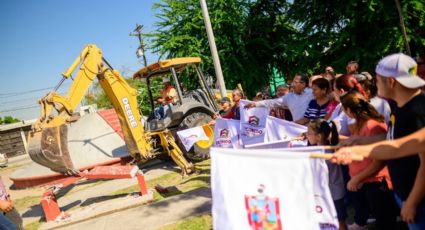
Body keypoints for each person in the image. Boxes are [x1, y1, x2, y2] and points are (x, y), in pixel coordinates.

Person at [337, 53, 425, 228]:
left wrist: (413, 201)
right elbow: (394, 139)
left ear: (391, 81)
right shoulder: (401, 107)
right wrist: (358, 141)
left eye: (377, 80)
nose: (374, 85)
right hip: (405, 193)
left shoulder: (417, 111)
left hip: (419, 201)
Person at [340, 91, 398, 230]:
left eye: (343, 108)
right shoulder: (361, 124)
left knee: (385, 222)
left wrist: (357, 178)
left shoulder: (372, 126)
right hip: (367, 182)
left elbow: (379, 160)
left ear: (348, 109)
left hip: (377, 184)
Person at [306, 119, 347, 230]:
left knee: (339, 221)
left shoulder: (326, 153)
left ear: (319, 137)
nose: (307, 136)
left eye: (309, 133)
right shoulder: (320, 149)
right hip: (327, 193)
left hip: (333, 194)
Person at [244, 74, 313, 121]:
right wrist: (256, 104)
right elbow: (272, 102)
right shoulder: (289, 97)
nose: (292, 85)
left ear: (303, 84)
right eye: (292, 82)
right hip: (298, 130)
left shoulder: (312, 93)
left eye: (295, 82)